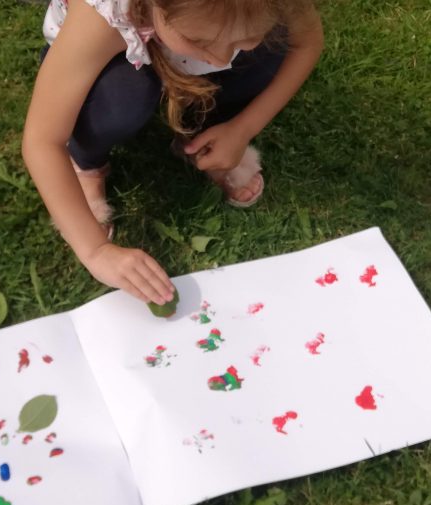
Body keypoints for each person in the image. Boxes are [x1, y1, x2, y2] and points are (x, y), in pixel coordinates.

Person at [21, 0, 323, 306]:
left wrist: (242, 128)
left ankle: (206, 130)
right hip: (106, 60)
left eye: (246, 38)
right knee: (123, 96)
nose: (221, 59)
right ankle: (86, 162)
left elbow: (306, 43)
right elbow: (43, 139)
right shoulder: (100, 17)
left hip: (179, 43)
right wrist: (95, 251)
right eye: (199, 40)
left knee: (270, 46)